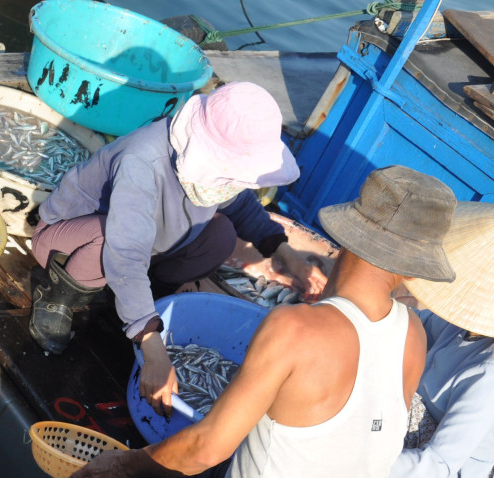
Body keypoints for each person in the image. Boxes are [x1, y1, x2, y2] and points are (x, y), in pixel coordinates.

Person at [56, 166, 458, 478]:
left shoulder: (295, 327)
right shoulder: (413, 334)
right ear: (412, 268)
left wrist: (125, 465)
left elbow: (207, 448)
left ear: (348, 234)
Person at [29, 81, 326, 419]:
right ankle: (57, 298)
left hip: (142, 245)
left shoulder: (212, 169)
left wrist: (287, 257)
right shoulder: (144, 160)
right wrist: (152, 347)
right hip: (66, 242)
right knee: (109, 237)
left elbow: (241, 207)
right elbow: (125, 253)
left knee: (221, 234)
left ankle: (144, 304)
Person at [353, 202, 494, 478]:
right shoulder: (471, 321)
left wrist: (354, 464)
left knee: (390, 390)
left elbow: (439, 463)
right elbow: (416, 324)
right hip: (434, 439)